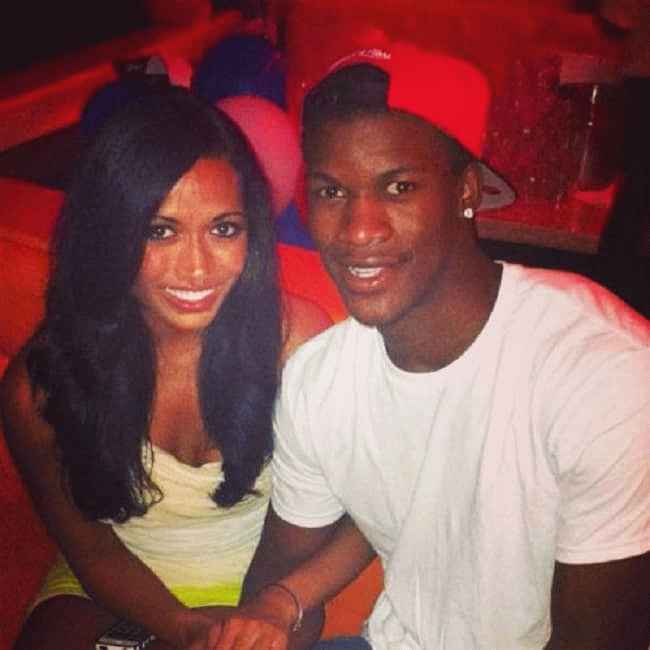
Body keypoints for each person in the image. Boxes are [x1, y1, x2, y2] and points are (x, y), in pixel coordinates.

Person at [207, 42, 650, 649]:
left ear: (466, 190)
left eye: (398, 187)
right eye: (332, 192)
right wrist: (267, 619)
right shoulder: (320, 380)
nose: (358, 230)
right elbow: (276, 588)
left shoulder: (602, 373)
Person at [0, 86, 328, 649]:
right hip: (110, 590)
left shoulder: (294, 341)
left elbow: (355, 508)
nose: (197, 268)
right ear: (109, 235)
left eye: (223, 228)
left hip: (264, 591)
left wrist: (273, 605)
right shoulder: (39, 385)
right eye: (161, 230)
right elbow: (92, 551)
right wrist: (181, 627)